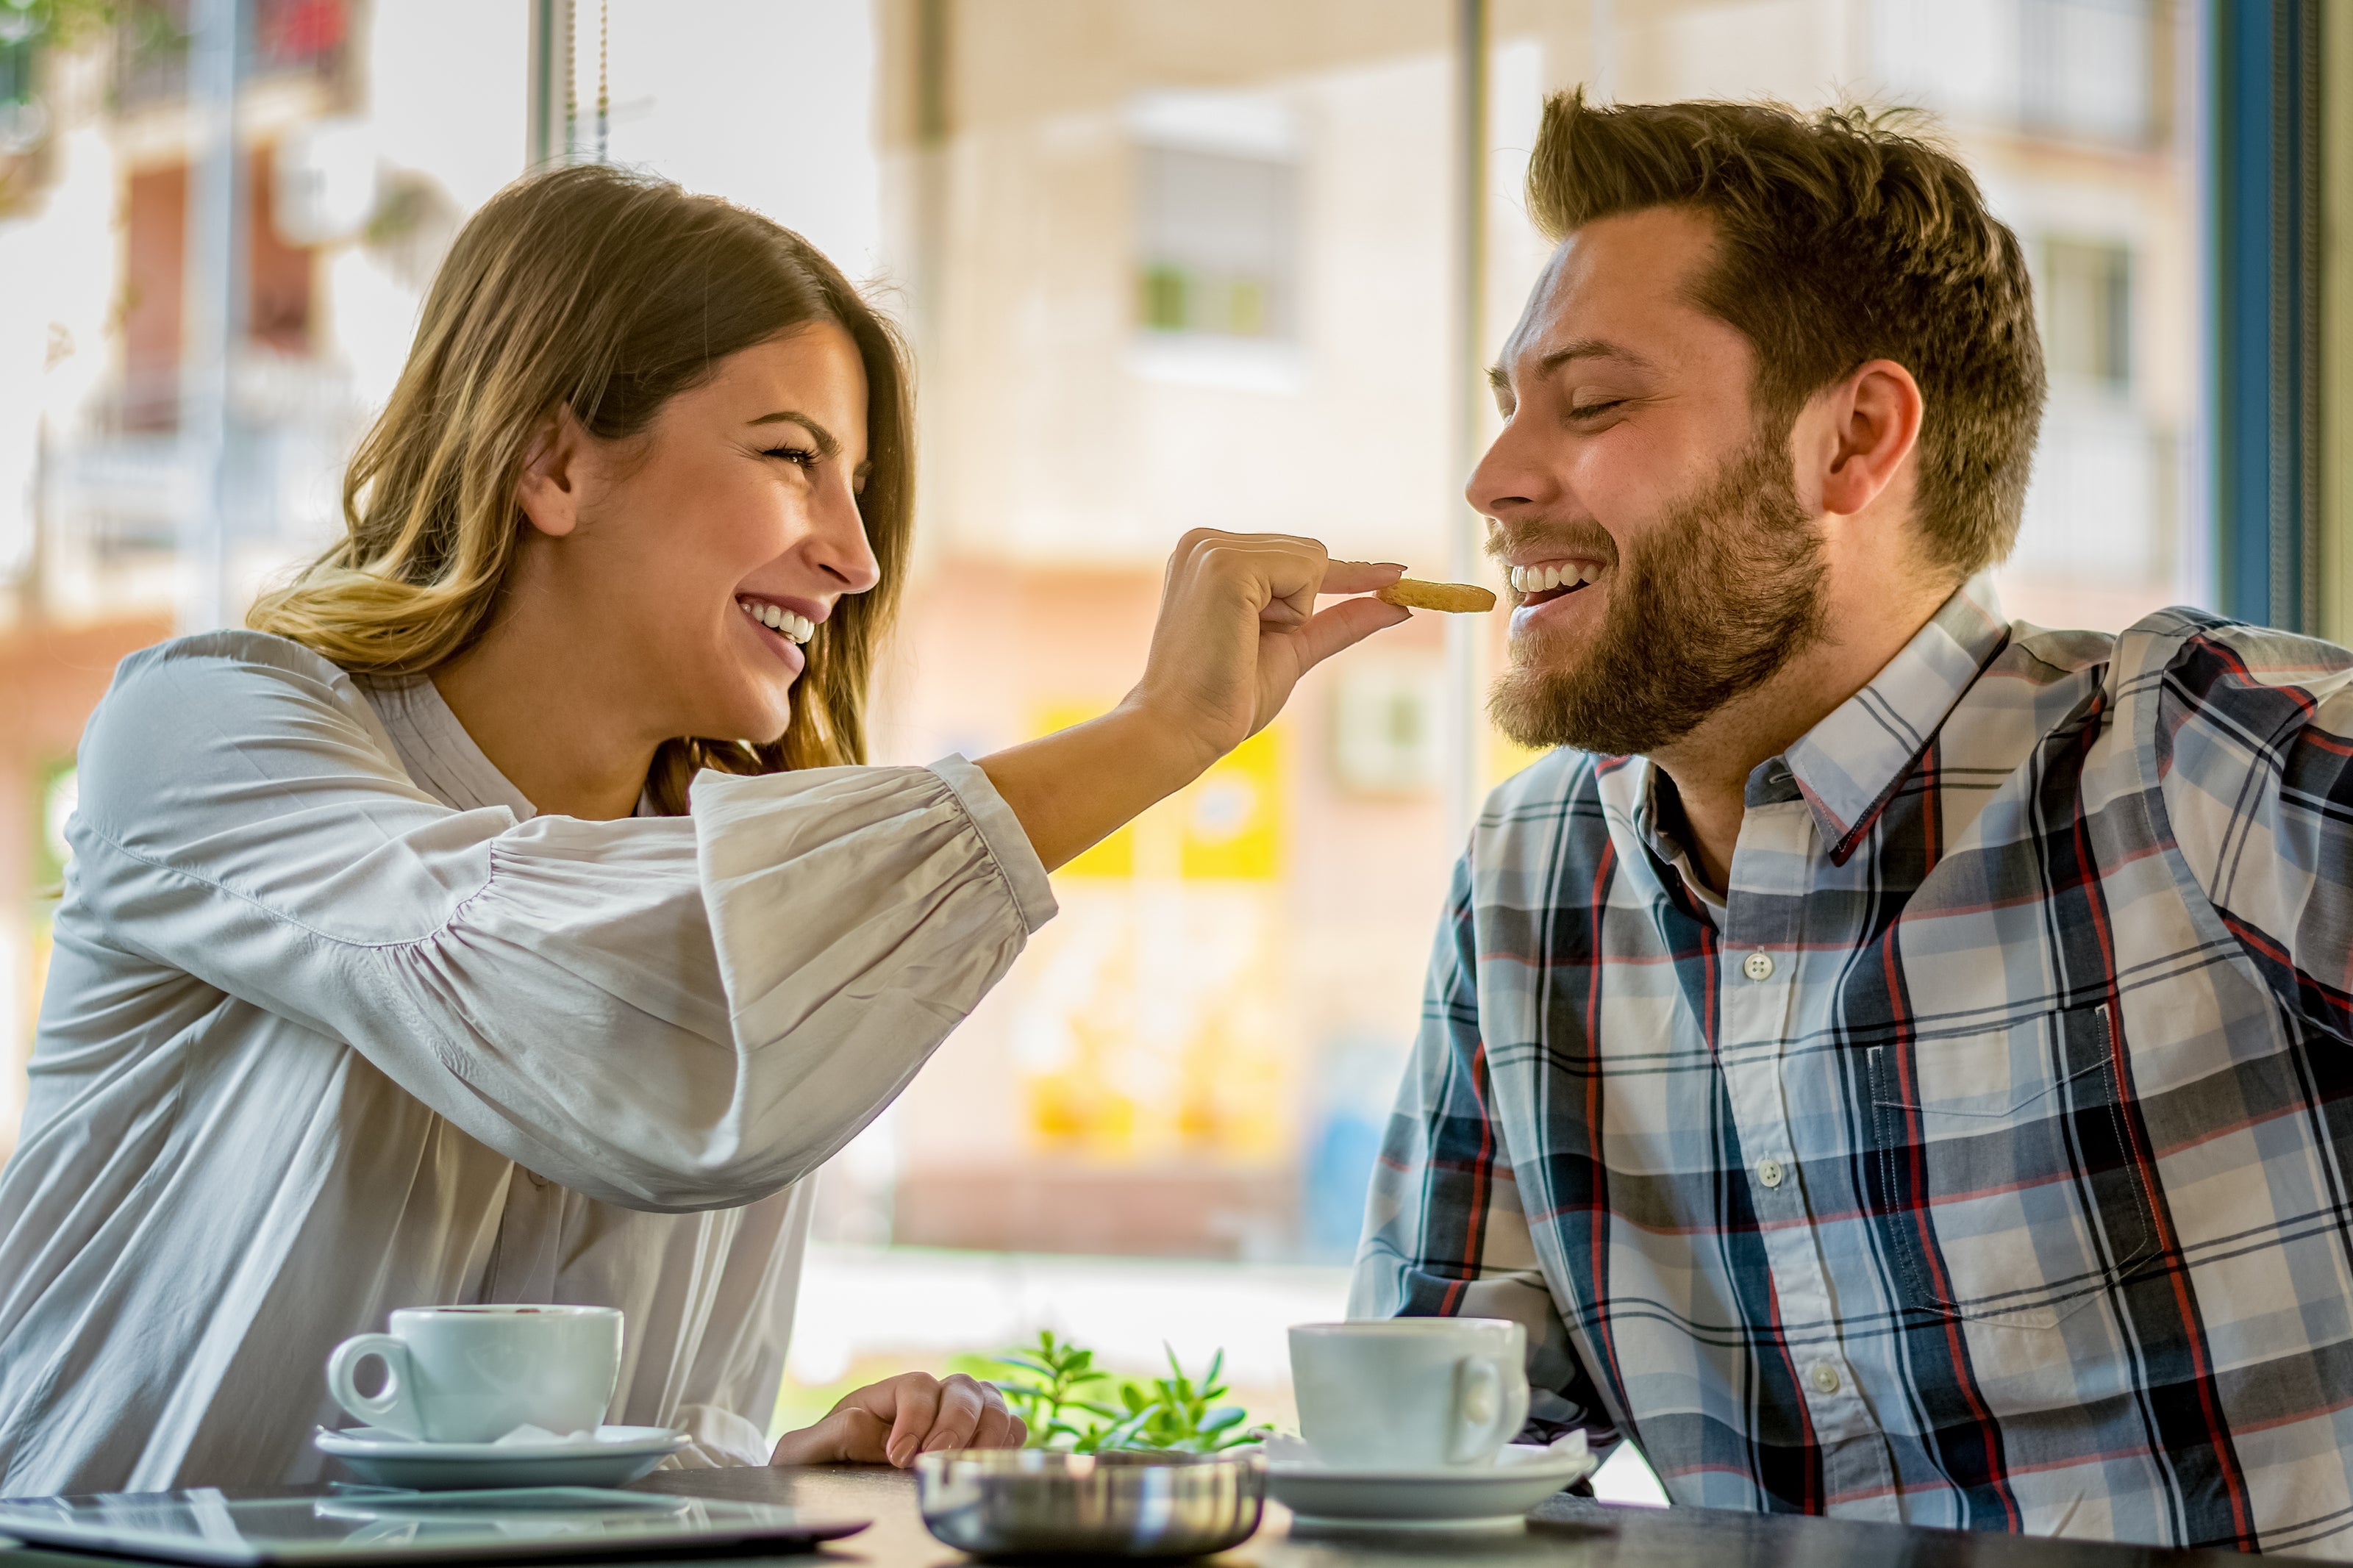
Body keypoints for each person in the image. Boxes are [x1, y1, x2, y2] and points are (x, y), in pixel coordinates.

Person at [0, 162, 1410, 1494]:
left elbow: (600, 1452)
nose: (855, 559)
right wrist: (1156, 731)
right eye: (793, 458)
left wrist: (754, 1477)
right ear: (553, 462)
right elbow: (567, 985)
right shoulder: (207, 734)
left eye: (858, 492)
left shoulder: (742, 903)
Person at [1353, 90, 2353, 1556]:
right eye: (1509, 404)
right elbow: (1425, 1464)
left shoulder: (2190, 755)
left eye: (1592, 402)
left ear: (1854, 439)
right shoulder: (1532, 873)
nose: (1494, 480)